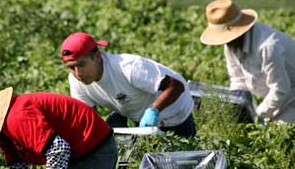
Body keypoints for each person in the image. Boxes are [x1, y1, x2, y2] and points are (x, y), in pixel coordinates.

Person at [200, 0, 295, 123]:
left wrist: (256, 115)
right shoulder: (230, 45)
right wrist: (235, 106)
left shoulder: (268, 47)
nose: (225, 42)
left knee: (281, 132)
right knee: (265, 123)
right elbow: (238, 79)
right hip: (275, 87)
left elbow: (280, 89)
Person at [60, 32, 196, 138]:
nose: (78, 73)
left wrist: (153, 111)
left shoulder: (128, 67)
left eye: (82, 64)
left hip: (175, 113)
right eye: (71, 67)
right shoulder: (76, 81)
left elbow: (176, 86)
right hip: (140, 118)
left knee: (180, 166)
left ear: (97, 56)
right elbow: (88, 118)